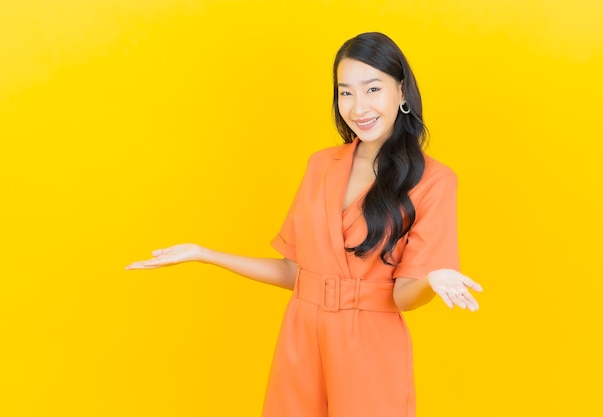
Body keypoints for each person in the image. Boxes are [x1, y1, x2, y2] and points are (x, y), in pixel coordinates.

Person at [126, 32, 482, 417]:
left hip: (370, 347)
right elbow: (294, 272)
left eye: (372, 89)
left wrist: (432, 280)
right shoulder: (320, 165)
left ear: (401, 91)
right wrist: (204, 254)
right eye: (345, 93)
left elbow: (402, 297)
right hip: (301, 337)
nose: (358, 106)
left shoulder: (434, 180)